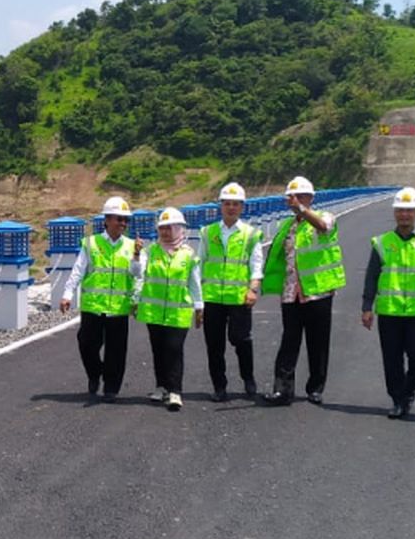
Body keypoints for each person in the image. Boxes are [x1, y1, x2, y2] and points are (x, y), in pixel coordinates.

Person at [262, 176, 346, 406]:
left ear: (310, 198)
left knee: (317, 342)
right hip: (291, 292)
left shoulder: (325, 217)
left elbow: (323, 227)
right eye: (292, 197)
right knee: (289, 341)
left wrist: (301, 209)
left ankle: (315, 387)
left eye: (301, 197)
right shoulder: (286, 227)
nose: (296, 201)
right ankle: (282, 389)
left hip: (317, 290)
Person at [360, 187, 415, 419]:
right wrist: (367, 307)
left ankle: (409, 389)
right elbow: (371, 276)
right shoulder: (381, 243)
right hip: (390, 311)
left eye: (409, 211)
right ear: (395, 213)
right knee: (392, 359)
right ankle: (398, 399)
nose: (404, 215)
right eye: (400, 211)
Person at [60, 196, 142, 402]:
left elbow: (137, 274)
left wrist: (137, 256)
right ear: (107, 220)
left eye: (125, 220)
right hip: (93, 306)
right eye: (118, 219)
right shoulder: (91, 243)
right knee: (86, 343)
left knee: (116, 351)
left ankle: (111, 388)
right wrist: (67, 294)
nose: (122, 223)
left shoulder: (134, 246)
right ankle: (95, 374)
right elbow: (79, 270)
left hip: (118, 308)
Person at [199, 182, 264, 402]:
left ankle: (248, 378)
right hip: (212, 297)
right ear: (221, 205)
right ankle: (219, 386)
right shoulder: (208, 232)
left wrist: (253, 289)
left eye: (236, 204)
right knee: (214, 346)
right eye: (227, 203)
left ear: (242, 207)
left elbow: (256, 265)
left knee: (241, 340)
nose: (231, 208)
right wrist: (197, 300)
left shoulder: (250, 234)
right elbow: (200, 264)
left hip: (239, 297)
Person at [133, 207, 203, 411]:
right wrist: (136, 254)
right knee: (158, 350)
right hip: (153, 311)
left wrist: (199, 308)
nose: (165, 232)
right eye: (162, 228)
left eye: (169, 228)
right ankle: (161, 386)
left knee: (174, 349)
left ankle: (175, 391)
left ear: (179, 228)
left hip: (178, 311)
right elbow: (136, 273)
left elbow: (194, 283)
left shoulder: (188, 255)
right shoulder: (150, 251)